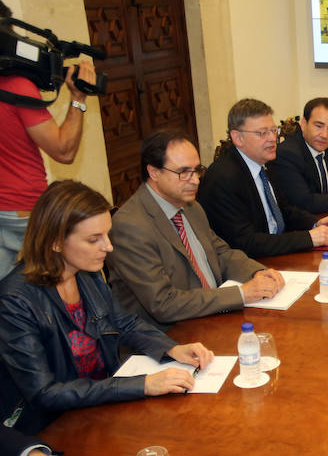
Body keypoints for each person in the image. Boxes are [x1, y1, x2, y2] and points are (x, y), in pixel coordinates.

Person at [0, 180, 214, 435]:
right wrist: (142, 385)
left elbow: (124, 322)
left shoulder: (85, 272)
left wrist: (172, 348)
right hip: (58, 425)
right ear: (55, 242)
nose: (108, 247)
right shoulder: (14, 301)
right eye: (94, 239)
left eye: (107, 235)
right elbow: (45, 393)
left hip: (106, 404)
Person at [108, 131, 285, 330]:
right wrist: (242, 294)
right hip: (173, 336)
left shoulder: (191, 206)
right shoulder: (130, 226)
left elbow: (221, 253)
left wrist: (257, 273)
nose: (195, 181)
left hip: (213, 317)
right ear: (154, 172)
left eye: (197, 170)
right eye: (184, 172)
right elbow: (163, 303)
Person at [0, 0, 98, 279]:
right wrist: (78, 99)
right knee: (60, 283)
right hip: (23, 211)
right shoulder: (16, 86)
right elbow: (64, 150)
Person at [197, 98, 328, 258]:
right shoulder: (223, 179)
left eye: (273, 131)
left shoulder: (265, 162)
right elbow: (245, 242)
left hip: (277, 253)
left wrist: (314, 223)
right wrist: (308, 238)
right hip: (253, 263)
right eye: (262, 133)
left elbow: (283, 210)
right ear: (238, 138)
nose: (273, 139)